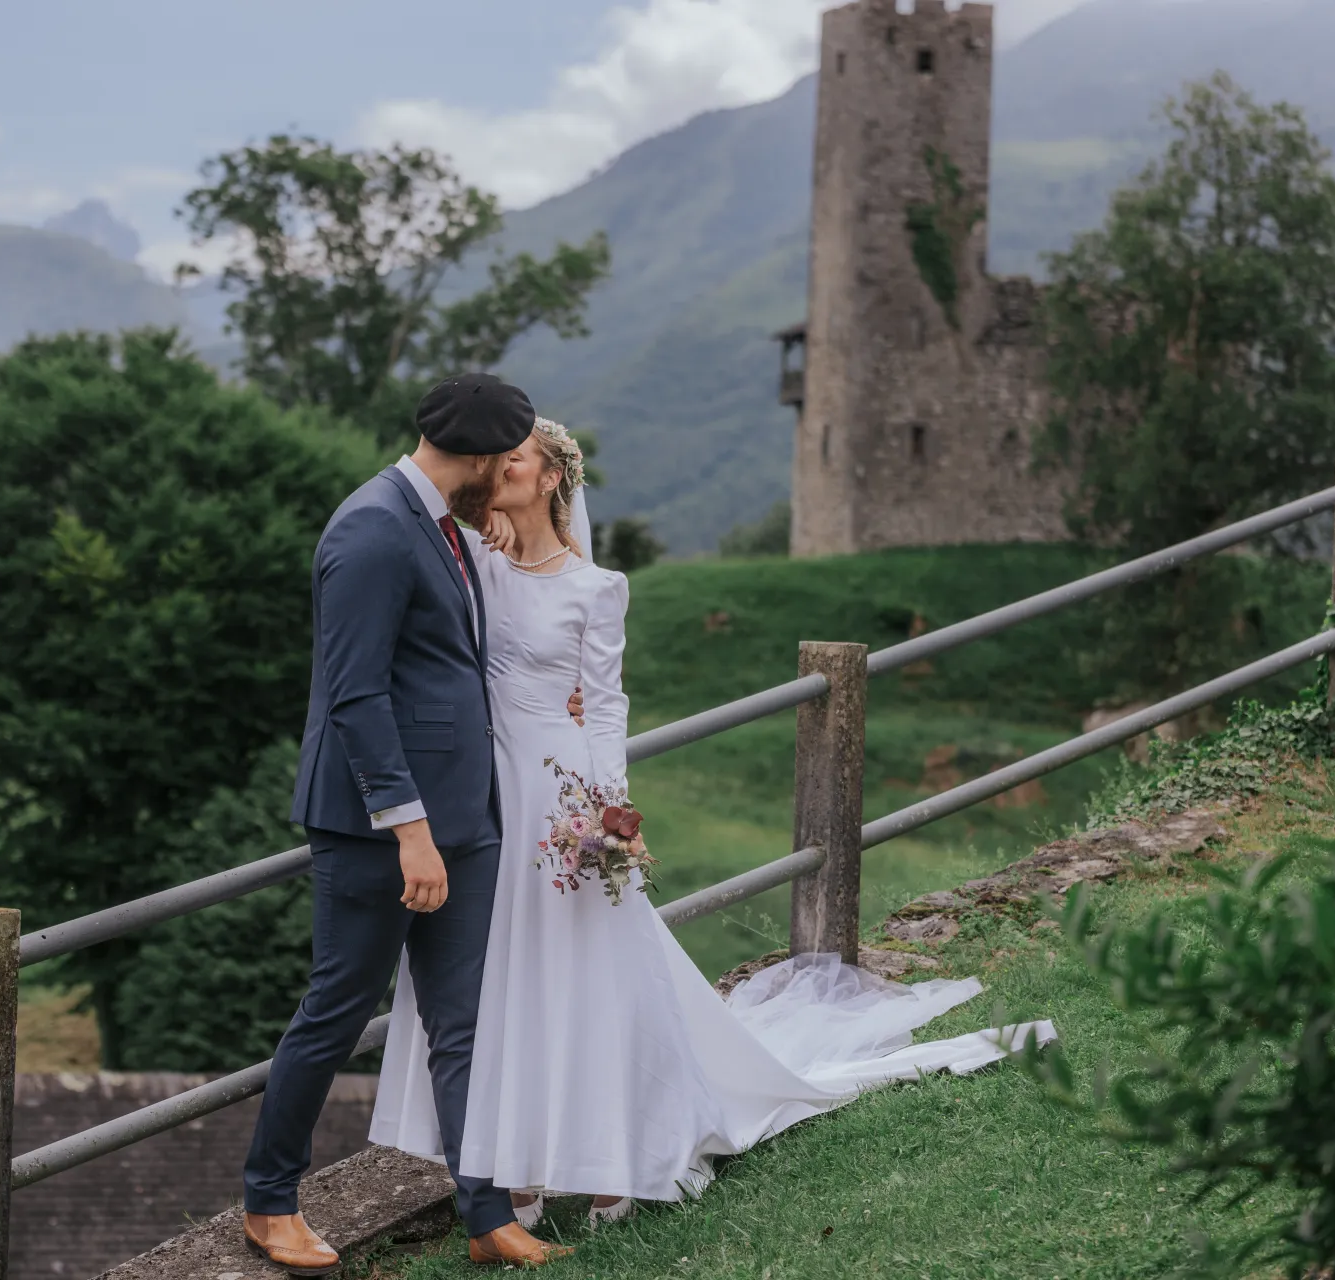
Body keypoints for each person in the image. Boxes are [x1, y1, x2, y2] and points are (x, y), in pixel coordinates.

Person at [369, 417, 1058, 1227]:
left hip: (558, 793)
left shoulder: (597, 587)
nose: (498, 467)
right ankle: (516, 1160)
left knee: (585, 971)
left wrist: (611, 813)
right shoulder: (474, 562)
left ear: (552, 477)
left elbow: (606, 708)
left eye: (514, 458)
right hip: (486, 789)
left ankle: (614, 1151)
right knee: (502, 975)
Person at [241, 374, 574, 1275]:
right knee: (337, 1011)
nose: (507, 476)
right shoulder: (371, 528)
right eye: (505, 461)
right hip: (379, 831)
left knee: (465, 1024)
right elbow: (356, 695)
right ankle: (269, 1203)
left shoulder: (442, 523)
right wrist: (410, 832)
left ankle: (486, 1215)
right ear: (479, 458)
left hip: (465, 819)